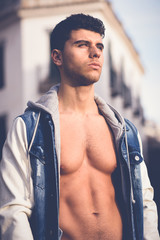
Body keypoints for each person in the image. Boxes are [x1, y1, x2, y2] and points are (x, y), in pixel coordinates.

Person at [0, 14, 159, 240]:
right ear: (57, 57)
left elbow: (144, 201)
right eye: (82, 44)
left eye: (99, 46)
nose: (95, 52)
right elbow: (12, 210)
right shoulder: (29, 128)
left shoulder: (124, 131)